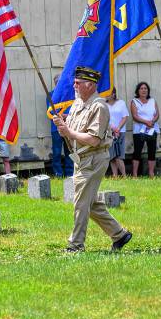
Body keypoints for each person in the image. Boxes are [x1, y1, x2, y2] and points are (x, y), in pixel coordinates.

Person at [52, 66, 132, 253]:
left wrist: (68, 131)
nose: (74, 85)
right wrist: (63, 123)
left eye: (78, 83)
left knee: (80, 202)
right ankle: (119, 234)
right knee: (90, 202)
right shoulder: (78, 103)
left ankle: (75, 245)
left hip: (94, 158)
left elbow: (94, 139)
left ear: (90, 85)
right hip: (80, 159)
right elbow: (72, 130)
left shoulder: (99, 107)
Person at [130, 81, 160, 178]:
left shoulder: (152, 101)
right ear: (138, 91)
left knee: (152, 151)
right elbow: (135, 116)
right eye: (141, 88)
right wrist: (146, 122)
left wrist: (152, 122)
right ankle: (134, 174)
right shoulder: (134, 101)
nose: (144, 90)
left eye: (145, 88)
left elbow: (157, 114)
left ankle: (151, 173)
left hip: (152, 129)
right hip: (139, 130)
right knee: (137, 151)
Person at [50, 74, 74, 177]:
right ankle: (58, 173)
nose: (58, 84)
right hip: (56, 128)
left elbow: (74, 111)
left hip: (69, 127)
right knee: (56, 152)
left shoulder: (69, 95)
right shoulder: (51, 95)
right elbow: (51, 112)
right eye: (57, 82)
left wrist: (66, 116)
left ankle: (70, 173)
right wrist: (62, 116)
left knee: (69, 150)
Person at [106, 88, 128, 177]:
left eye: (108, 93)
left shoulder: (121, 103)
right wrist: (111, 128)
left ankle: (124, 175)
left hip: (120, 132)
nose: (106, 95)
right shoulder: (104, 105)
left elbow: (125, 117)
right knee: (111, 156)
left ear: (114, 94)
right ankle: (115, 175)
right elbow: (103, 118)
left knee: (119, 155)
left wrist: (118, 128)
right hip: (108, 132)